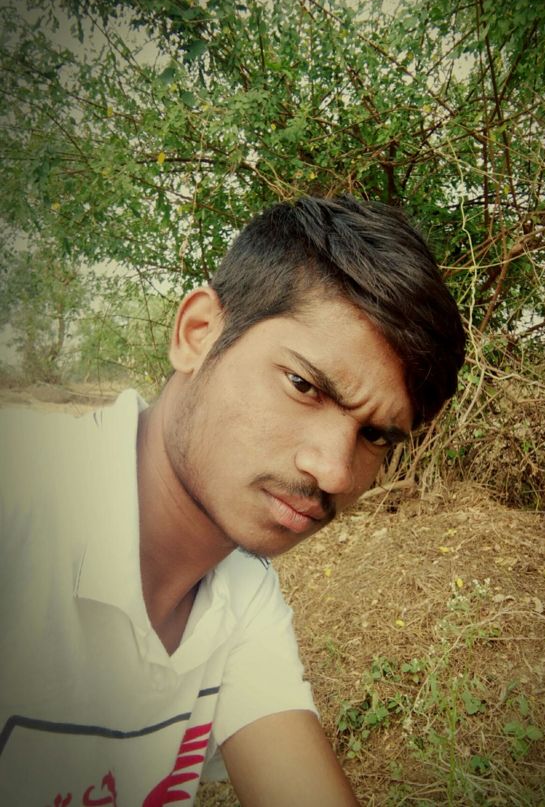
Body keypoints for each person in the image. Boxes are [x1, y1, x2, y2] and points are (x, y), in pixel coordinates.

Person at [0, 195, 465, 806]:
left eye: (375, 436)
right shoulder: (20, 499)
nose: (333, 471)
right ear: (198, 334)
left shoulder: (241, 592)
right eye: (303, 385)